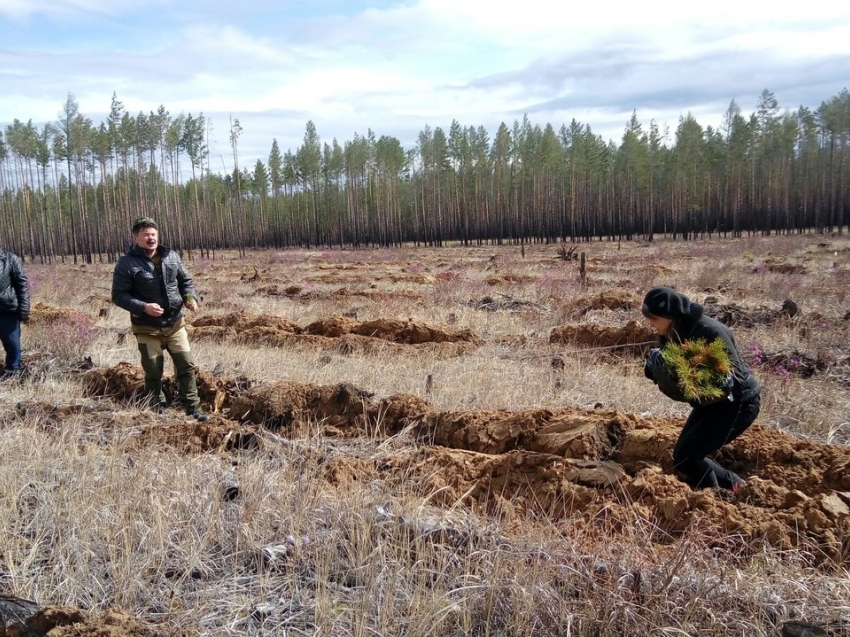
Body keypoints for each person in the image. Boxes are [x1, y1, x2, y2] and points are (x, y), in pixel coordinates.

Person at [641, 286, 761, 493]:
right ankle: (736, 488)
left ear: (669, 316)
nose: (650, 323)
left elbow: (729, 382)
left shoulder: (710, 333)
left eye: (653, 318)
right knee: (683, 455)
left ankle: (717, 498)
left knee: (689, 456)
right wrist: (656, 367)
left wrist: (682, 375)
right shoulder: (675, 332)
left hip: (738, 403)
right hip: (711, 404)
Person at [112, 217, 208, 421]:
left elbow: (186, 282)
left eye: (153, 234)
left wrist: (190, 299)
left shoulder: (171, 256)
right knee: (153, 369)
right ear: (135, 237)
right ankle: (156, 406)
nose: (150, 238)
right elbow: (119, 295)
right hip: (147, 327)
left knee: (186, 364)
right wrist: (143, 307)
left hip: (174, 324)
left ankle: (192, 407)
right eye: (146, 234)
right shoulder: (126, 263)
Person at [0, 248, 30, 378]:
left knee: (13, 345)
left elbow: (22, 284)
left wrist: (24, 308)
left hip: (7, 310)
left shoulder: (10, 258)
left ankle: (13, 372)